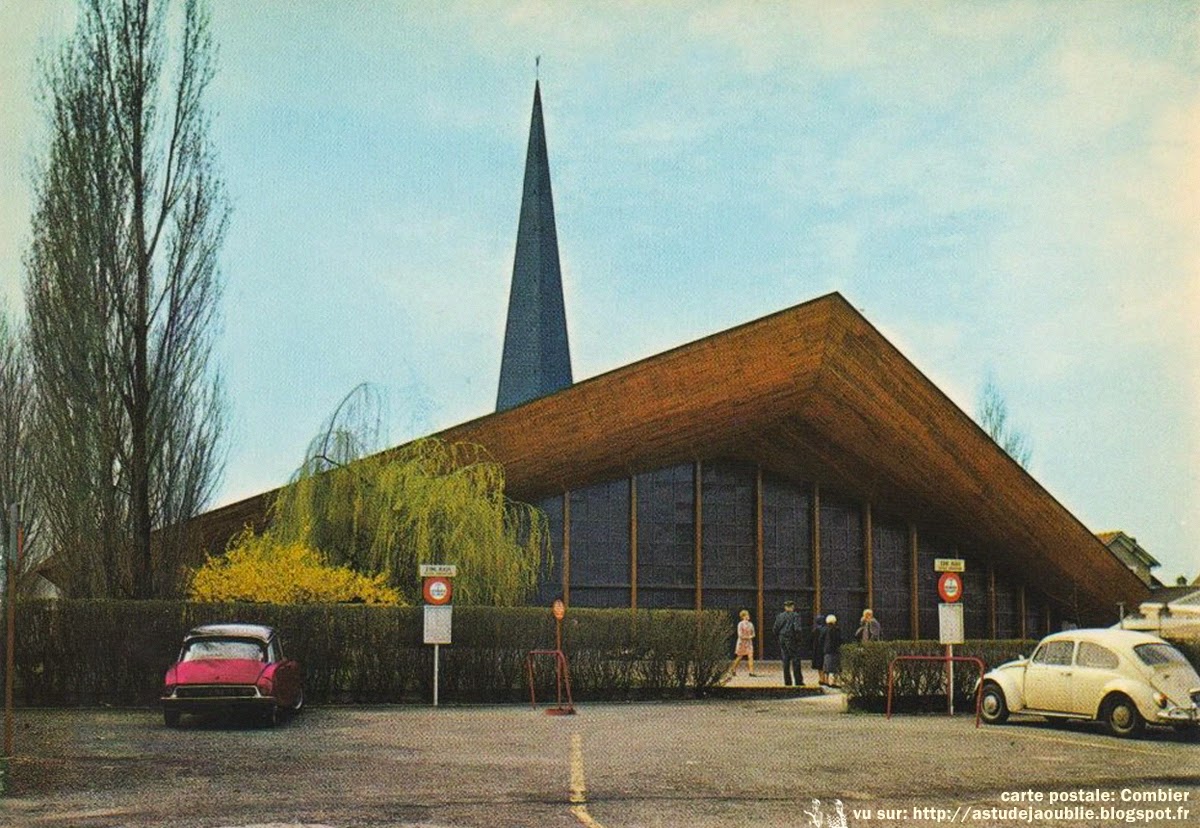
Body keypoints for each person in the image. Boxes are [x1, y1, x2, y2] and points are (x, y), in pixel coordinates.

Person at [772, 600, 804, 687]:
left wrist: (779, 636)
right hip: (792, 638)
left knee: (785, 660)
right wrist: (799, 639)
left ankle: (787, 681)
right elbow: (797, 628)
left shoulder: (780, 616)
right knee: (796, 659)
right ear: (792, 607)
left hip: (782, 638)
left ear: (785, 607)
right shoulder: (795, 616)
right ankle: (798, 681)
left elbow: (775, 628)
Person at [726, 609, 757, 677]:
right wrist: (747, 637)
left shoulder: (751, 624)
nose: (748, 616)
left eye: (748, 615)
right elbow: (740, 634)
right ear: (743, 616)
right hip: (742, 642)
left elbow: (753, 633)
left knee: (750, 656)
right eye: (746, 615)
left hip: (749, 643)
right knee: (740, 656)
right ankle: (733, 669)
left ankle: (751, 672)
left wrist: (750, 637)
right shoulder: (740, 624)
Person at [820, 614, 842, 687]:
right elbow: (839, 640)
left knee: (826, 667)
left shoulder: (824, 629)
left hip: (826, 650)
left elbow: (821, 639)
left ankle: (826, 681)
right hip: (835, 650)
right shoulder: (836, 629)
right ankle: (833, 682)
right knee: (835, 668)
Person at [810, 613, 827, 686]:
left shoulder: (815, 630)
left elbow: (811, 640)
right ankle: (825, 679)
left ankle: (821, 678)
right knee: (825, 664)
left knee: (819, 665)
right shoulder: (826, 629)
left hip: (817, 650)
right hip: (824, 649)